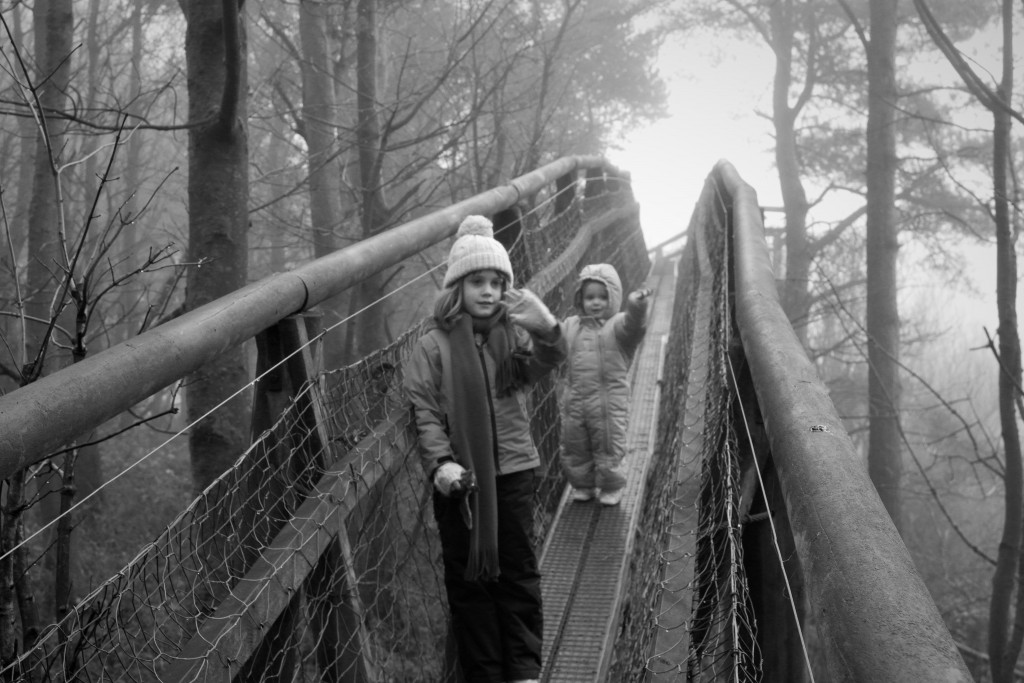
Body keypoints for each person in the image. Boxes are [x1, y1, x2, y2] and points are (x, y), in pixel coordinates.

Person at [403, 215, 566, 683]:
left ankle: (523, 671)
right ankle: (485, 672)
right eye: (478, 281)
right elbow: (425, 411)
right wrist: (441, 463)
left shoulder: (513, 338)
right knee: (470, 584)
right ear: (457, 286)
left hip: (515, 472)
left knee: (516, 574)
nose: (490, 291)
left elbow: (549, 361)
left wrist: (548, 327)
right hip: (461, 482)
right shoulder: (432, 347)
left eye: (498, 282)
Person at [560, 263, 650, 506]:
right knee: (575, 444)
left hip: (609, 403)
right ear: (580, 299)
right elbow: (553, 336)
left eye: (602, 296)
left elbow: (634, 326)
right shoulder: (572, 326)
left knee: (610, 445)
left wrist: (637, 306)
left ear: (614, 298)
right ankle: (584, 485)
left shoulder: (618, 325)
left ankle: (611, 486)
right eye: (589, 297)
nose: (596, 302)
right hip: (577, 400)